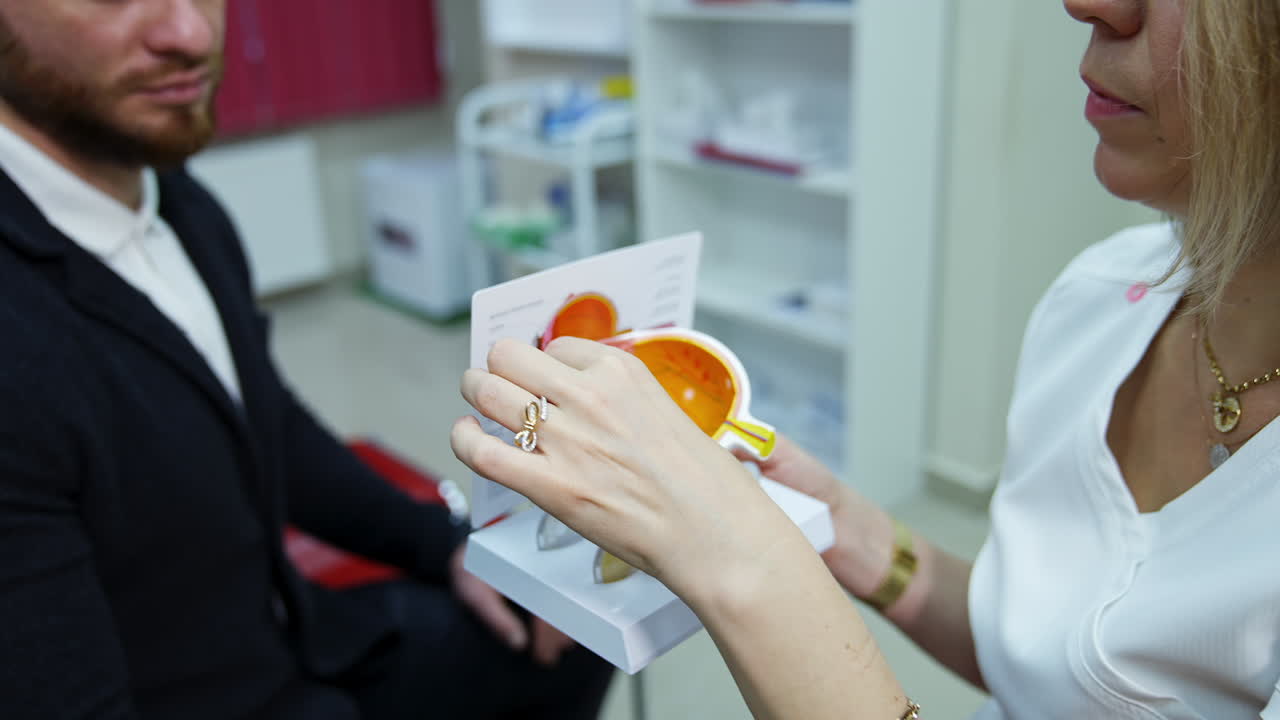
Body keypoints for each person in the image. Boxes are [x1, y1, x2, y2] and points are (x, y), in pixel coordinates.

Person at [452, 0, 1280, 717]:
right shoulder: (1099, 299)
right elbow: (1041, 659)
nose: (1090, 6)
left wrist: (754, 576)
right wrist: (846, 528)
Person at [0, 1, 614, 718]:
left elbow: (265, 425)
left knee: (573, 626)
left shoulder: (178, 203)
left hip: (296, 637)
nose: (191, 34)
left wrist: (453, 546)